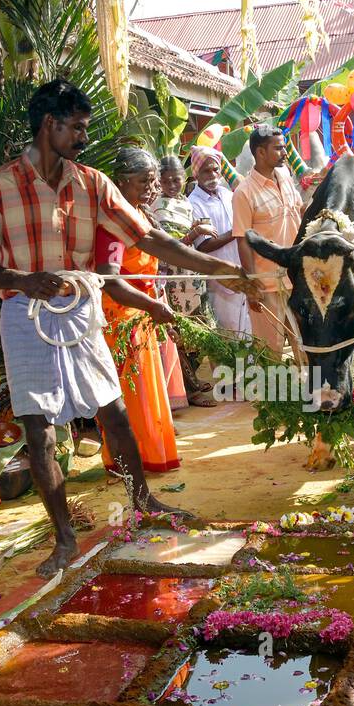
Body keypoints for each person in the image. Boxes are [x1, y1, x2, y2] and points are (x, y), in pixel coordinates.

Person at [0, 79, 261, 577]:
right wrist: (21, 280)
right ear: (48, 125)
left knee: (115, 411)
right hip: (23, 314)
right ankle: (64, 539)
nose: (82, 138)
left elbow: (153, 239)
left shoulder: (93, 183)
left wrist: (226, 272)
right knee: (39, 431)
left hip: (80, 308)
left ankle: (142, 503)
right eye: (75, 128)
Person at [96, 147, 185, 474]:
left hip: (145, 316)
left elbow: (162, 264)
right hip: (120, 316)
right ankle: (125, 458)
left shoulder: (143, 217)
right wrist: (151, 306)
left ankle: (151, 453)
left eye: (153, 181)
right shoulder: (113, 223)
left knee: (149, 389)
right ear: (122, 181)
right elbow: (111, 279)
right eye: (144, 182)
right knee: (131, 393)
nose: (152, 188)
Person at [232, 124, 302, 358]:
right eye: (279, 148)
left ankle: (311, 394)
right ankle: (272, 395)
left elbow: (300, 217)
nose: (285, 153)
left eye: (284, 148)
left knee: (305, 346)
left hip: (297, 280)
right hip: (267, 285)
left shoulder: (286, 178)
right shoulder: (244, 192)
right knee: (270, 353)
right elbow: (242, 240)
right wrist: (253, 285)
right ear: (260, 153)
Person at [153, 153, 216, 407]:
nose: (171, 185)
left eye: (176, 180)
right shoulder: (155, 207)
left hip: (192, 279)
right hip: (173, 281)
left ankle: (190, 383)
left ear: (184, 179)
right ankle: (189, 390)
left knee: (202, 330)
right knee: (181, 334)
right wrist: (196, 232)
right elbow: (169, 248)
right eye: (166, 181)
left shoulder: (186, 203)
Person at [189, 146, 250, 336]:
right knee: (229, 336)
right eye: (206, 170)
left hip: (243, 273)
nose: (213, 174)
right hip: (220, 281)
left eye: (215, 169)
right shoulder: (194, 203)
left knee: (249, 334)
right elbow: (204, 245)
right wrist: (238, 230)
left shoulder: (228, 195)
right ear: (196, 173)